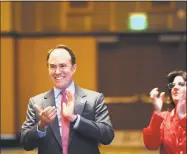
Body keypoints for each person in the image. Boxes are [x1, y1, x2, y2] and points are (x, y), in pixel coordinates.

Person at [20, 44, 114, 154]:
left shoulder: (94, 99)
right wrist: (41, 125)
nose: (57, 71)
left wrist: (74, 118)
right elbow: (25, 143)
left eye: (62, 66)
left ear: (73, 68)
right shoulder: (37, 102)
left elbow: (107, 136)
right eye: (52, 66)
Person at [143, 70, 186, 154]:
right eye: (172, 85)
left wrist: (183, 118)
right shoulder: (164, 118)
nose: (175, 87)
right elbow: (151, 145)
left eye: (181, 84)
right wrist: (157, 112)